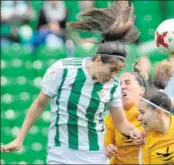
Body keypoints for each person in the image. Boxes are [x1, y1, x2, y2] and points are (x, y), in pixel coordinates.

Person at [1, 1, 143, 164]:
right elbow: (40, 104)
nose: (114, 76)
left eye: (117, 72)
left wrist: (133, 131)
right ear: (98, 60)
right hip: (60, 153)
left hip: (95, 155)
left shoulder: (113, 86)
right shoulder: (63, 69)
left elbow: (121, 122)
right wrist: (20, 138)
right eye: (112, 69)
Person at [104, 59, 173, 164]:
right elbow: (107, 147)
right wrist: (109, 150)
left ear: (142, 90)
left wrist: (144, 138)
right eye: (119, 84)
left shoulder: (153, 113)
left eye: (127, 83)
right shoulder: (111, 117)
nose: (122, 87)